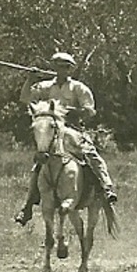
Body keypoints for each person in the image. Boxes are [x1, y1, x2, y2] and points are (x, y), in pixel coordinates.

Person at [14, 52, 119, 226]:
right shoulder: (46, 86)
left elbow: (90, 111)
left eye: (65, 67)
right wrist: (29, 79)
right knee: (39, 164)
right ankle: (28, 206)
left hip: (73, 130)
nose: (62, 70)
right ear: (54, 68)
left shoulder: (79, 88)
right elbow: (25, 98)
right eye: (58, 66)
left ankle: (107, 188)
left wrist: (71, 110)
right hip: (52, 131)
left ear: (71, 69)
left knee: (91, 155)